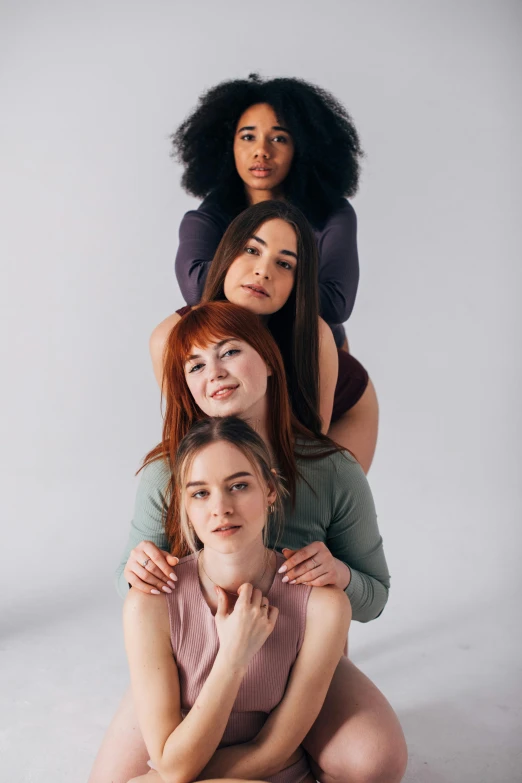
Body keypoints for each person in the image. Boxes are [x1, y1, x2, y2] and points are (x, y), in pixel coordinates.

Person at [89, 302, 407, 783]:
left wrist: (339, 576)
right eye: (195, 365)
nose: (214, 373)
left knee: (374, 760)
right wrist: (137, 568)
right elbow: (135, 592)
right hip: (195, 652)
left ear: (268, 360)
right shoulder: (165, 471)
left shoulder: (333, 470)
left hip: (299, 646)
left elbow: (373, 596)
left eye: (230, 352)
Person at [124, 416, 351, 783]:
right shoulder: (149, 603)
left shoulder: (323, 606)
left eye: (239, 486)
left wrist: (173, 774)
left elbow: (271, 752)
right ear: (184, 504)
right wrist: (232, 656)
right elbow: (167, 760)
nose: (221, 508)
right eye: (200, 493)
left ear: (270, 489)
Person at [168, 74, 378, 468]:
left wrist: (246, 278)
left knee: (316, 511)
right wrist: (284, 274)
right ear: (226, 145)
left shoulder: (332, 213)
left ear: (303, 147)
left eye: (278, 138)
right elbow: (197, 289)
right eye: (247, 137)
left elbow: (335, 302)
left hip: (318, 372)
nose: (261, 151)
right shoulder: (206, 217)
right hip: (238, 366)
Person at [151, 200, 375, 472]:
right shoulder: (170, 337)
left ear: (297, 282)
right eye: (251, 250)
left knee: (312, 494)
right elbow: (191, 437)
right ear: (226, 253)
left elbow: (304, 451)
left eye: (284, 263)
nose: (263, 271)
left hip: (347, 405)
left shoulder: (314, 335)